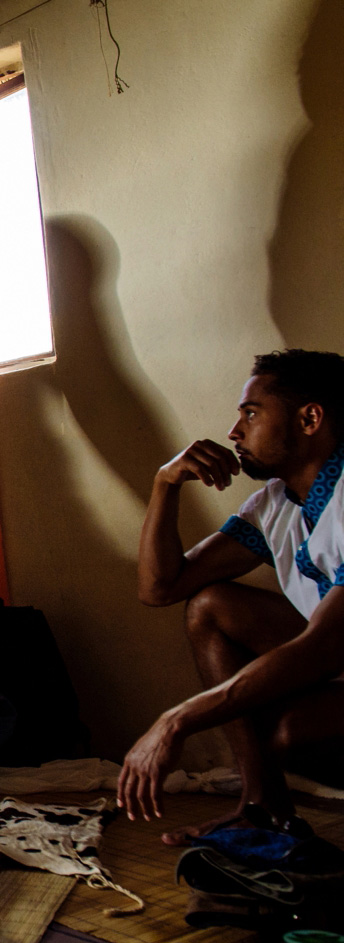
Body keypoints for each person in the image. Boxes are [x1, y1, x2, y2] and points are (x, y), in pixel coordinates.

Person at [121, 349, 344, 843]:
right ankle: (260, 805)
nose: (234, 432)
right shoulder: (276, 504)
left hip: (334, 655)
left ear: (309, 418)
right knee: (210, 606)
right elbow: (160, 588)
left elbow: (326, 647)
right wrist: (165, 483)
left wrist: (177, 720)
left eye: (250, 413)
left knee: (291, 731)